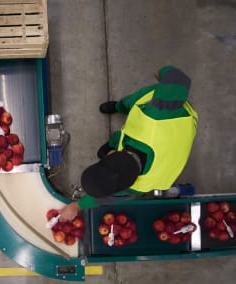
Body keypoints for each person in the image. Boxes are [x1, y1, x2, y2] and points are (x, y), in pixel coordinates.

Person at [59, 65, 199, 221]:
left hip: (170, 133)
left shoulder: (157, 115)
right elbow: (177, 79)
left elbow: (104, 199)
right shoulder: (137, 186)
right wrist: (161, 73)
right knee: (130, 111)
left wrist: (76, 206)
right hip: (174, 128)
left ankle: (120, 106)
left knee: (132, 102)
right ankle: (119, 107)